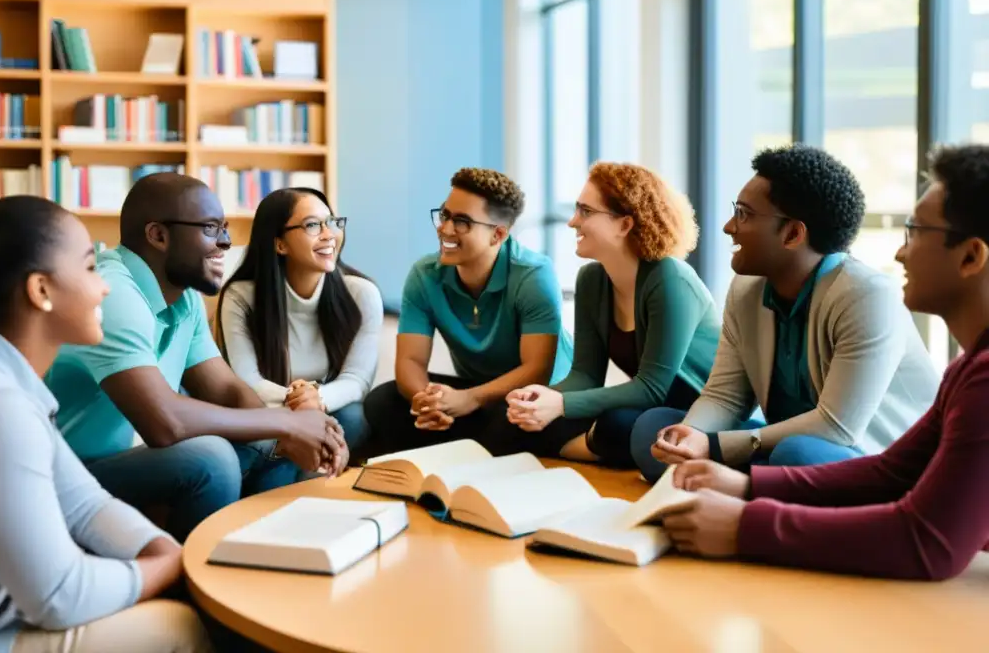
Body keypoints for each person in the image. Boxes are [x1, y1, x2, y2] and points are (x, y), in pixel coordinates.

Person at [658, 143, 989, 581]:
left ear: (970, 257)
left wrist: (743, 524)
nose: (899, 253)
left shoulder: (981, 378)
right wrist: (748, 486)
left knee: (796, 451)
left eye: (915, 232)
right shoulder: (968, 369)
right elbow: (893, 473)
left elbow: (926, 543)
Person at [0, 192, 212, 652]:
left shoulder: (3, 380)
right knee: (179, 629)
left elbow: (85, 504)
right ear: (41, 290)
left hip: (7, 615)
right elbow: (60, 597)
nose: (105, 287)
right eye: (91, 267)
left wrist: (161, 548)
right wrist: (171, 566)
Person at [45, 173, 347, 543]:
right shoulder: (115, 293)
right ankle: (191, 580)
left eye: (223, 227)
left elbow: (225, 390)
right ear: (158, 236)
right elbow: (164, 421)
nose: (225, 242)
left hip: (134, 461)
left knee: (271, 447)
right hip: (71, 477)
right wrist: (285, 424)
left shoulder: (183, 296)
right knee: (212, 457)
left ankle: (263, 555)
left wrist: (290, 435)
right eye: (209, 228)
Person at [632, 146, 939, 482]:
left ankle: (742, 486)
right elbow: (725, 396)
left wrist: (715, 448)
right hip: (784, 449)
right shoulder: (746, 289)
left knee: (796, 454)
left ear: (793, 233)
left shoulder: (866, 295)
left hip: (869, 459)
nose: (728, 227)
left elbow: (835, 428)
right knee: (654, 427)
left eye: (744, 214)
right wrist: (689, 440)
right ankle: (750, 486)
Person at [503, 163, 720, 467]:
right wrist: (541, 399)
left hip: (698, 416)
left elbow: (651, 388)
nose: (572, 222)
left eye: (585, 212)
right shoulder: (591, 280)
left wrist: (561, 405)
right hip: (650, 411)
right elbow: (584, 375)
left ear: (625, 225)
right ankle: (594, 449)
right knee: (514, 419)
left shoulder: (670, 279)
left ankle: (585, 449)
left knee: (617, 424)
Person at [363, 167, 572, 455]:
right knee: (382, 402)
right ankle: (465, 448)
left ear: (497, 235)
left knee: (511, 419)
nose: (445, 229)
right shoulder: (425, 275)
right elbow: (410, 360)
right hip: (476, 391)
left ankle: (466, 451)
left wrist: (469, 400)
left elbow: (536, 369)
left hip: (539, 396)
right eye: (445, 215)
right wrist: (427, 401)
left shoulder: (534, 275)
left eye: (462, 222)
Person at [217, 187, 383, 454]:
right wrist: (299, 403)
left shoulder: (362, 294)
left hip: (326, 409)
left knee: (354, 418)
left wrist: (316, 398)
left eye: (331, 223)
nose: (329, 235)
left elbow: (357, 380)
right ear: (279, 243)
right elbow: (246, 380)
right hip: (265, 414)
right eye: (313, 225)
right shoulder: (241, 297)